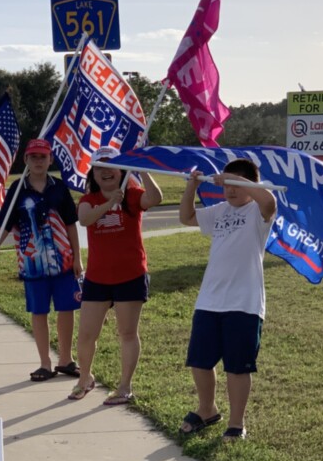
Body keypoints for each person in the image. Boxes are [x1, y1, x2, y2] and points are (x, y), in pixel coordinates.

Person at [178, 158, 277, 441]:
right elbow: (186, 217)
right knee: (200, 361)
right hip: (209, 300)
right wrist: (191, 187)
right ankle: (206, 409)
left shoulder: (258, 212)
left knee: (236, 366)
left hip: (244, 303)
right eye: (227, 186)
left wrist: (237, 180)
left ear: (249, 184)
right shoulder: (219, 211)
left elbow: (269, 201)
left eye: (235, 185)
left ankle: (236, 424)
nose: (230, 191)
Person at [68, 147, 162, 403]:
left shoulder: (133, 195)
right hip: (97, 278)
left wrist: (144, 170)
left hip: (130, 275)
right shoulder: (89, 200)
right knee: (87, 334)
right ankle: (84, 378)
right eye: (99, 167)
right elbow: (85, 220)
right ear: (93, 174)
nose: (106, 171)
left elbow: (155, 198)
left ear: (121, 170)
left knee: (127, 333)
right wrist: (111, 202)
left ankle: (124, 387)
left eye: (111, 166)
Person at [0, 138, 82, 382]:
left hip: (63, 260)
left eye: (43, 156)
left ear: (51, 159)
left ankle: (66, 359)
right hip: (33, 263)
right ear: (26, 160)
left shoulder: (59, 188)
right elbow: (5, 222)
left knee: (66, 309)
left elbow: (71, 224)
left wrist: (78, 258)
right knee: (38, 311)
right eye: (34, 157)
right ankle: (45, 363)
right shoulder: (18, 189)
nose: (38, 161)